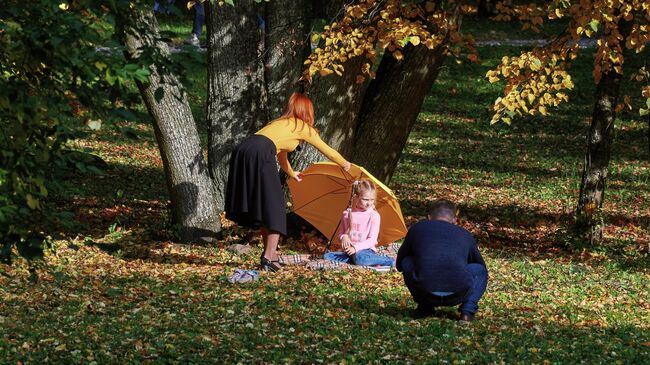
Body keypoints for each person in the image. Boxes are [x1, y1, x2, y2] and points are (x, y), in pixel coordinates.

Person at [225, 92, 351, 272]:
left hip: (244, 151)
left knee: (264, 205)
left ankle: (271, 254)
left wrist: (291, 173)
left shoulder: (279, 124)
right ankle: (268, 256)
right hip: (260, 153)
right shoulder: (303, 127)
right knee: (275, 205)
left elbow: (281, 152)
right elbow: (327, 150)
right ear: (308, 111)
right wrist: (346, 165)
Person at [396, 199, 488, 321]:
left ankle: (425, 306)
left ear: (429, 217)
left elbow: (400, 263)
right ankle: (467, 311)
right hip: (458, 293)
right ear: (455, 220)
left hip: (424, 291)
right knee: (480, 270)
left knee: (408, 261)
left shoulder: (418, 228)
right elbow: (479, 265)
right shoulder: (465, 235)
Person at [323, 180, 394, 267]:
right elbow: (341, 233)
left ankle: (390, 260)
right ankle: (357, 260)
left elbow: (372, 240)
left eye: (372, 200)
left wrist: (355, 248)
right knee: (327, 256)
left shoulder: (374, 216)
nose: (369, 203)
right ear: (356, 197)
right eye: (365, 199)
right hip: (350, 252)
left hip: (365, 250)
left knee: (360, 258)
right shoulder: (347, 214)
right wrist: (344, 237)